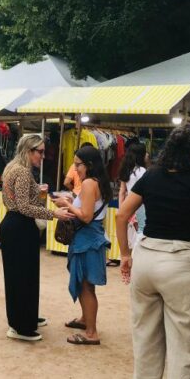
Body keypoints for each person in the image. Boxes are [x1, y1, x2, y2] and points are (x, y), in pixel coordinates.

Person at [115, 124, 190, 379]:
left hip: (147, 258)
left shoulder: (151, 176)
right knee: (186, 350)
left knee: (146, 344)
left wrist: (125, 255)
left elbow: (121, 214)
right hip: (183, 263)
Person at [0, 134, 74, 342]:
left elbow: (17, 200)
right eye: (40, 152)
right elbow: (23, 207)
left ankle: (24, 317)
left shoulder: (12, 168)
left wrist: (37, 193)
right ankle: (22, 325)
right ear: (28, 151)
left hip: (13, 225)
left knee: (19, 276)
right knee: (24, 277)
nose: (43, 156)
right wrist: (54, 214)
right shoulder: (22, 172)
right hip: (20, 227)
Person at [54, 146, 112, 345]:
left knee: (86, 286)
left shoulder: (88, 183)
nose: (75, 169)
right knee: (86, 284)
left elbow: (86, 216)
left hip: (87, 239)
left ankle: (91, 332)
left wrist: (67, 205)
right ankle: (86, 320)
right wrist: (72, 201)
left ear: (88, 165)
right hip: (91, 238)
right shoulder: (98, 182)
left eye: (77, 164)